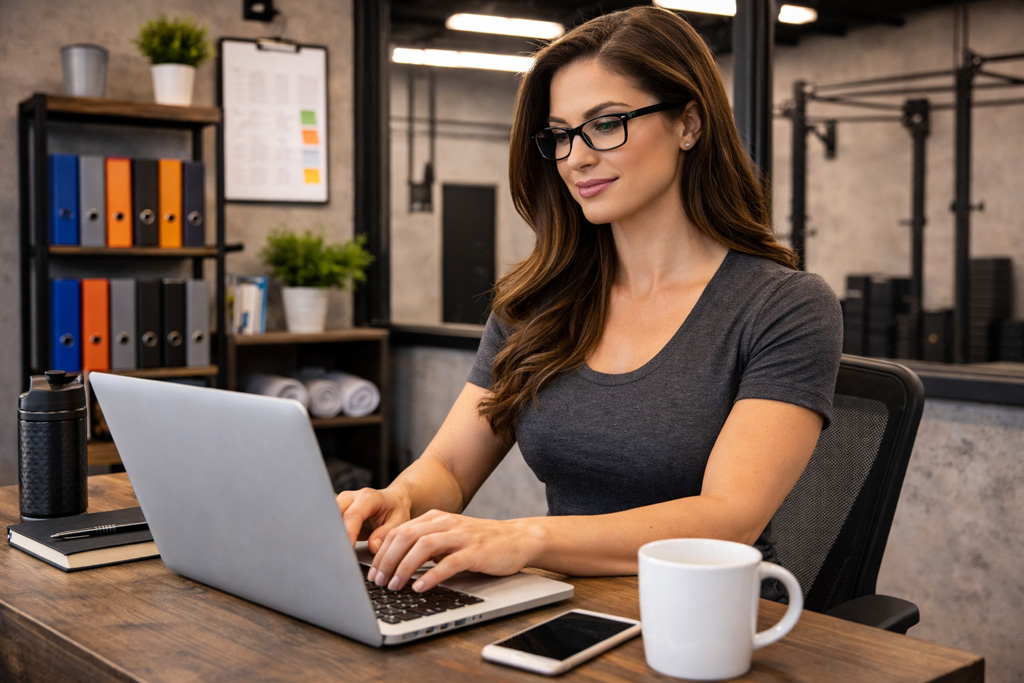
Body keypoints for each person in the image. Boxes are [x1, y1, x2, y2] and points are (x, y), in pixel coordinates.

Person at [338, 5, 842, 597]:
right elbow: (449, 467)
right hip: (563, 607)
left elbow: (728, 519)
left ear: (689, 124)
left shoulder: (782, 307)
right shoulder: (537, 304)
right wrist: (398, 497)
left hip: (714, 621)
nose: (576, 157)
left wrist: (527, 538)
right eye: (559, 135)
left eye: (606, 124)